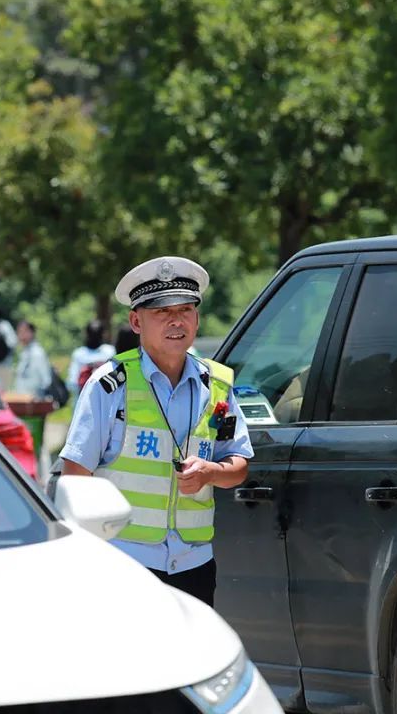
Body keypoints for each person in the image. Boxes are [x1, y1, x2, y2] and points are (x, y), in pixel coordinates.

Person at [57, 256, 253, 607]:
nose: (176, 320)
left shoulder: (219, 384)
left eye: (185, 309)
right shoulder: (109, 385)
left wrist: (211, 473)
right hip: (125, 563)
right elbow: (75, 477)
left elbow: (239, 467)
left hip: (195, 565)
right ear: (136, 321)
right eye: (162, 312)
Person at [65, 320, 115, 394]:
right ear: (104, 334)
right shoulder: (110, 351)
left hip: (83, 399)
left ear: (86, 334)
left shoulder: (79, 354)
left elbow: (72, 383)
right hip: (106, 399)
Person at [11, 320, 52, 399]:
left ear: (32, 333)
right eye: (19, 332)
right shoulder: (24, 352)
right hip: (23, 399)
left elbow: (46, 380)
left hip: (34, 402)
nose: (21, 335)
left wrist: (38, 396)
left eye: (24, 332)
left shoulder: (37, 353)